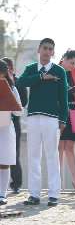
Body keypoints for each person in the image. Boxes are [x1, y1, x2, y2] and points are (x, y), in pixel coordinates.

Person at [16, 38, 69, 207]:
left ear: (53, 52)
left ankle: (54, 195)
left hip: (52, 119)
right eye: (44, 48)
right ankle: (34, 195)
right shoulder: (31, 69)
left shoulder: (59, 71)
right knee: (33, 156)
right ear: (39, 50)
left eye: (50, 49)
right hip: (33, 118)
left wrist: (63, 119)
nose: (47, 51)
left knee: (52, 156)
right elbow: (20, 82)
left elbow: (64, 97)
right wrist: (41, 77)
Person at [58, 49, 75, 192]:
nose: (73, 66)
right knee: (59, 147)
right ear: (64, 58)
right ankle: (56, 183)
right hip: (59, 112)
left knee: (70, 147)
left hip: (74, 111)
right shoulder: (56, 70)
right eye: (71, 62)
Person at [1, 57, 27, 194]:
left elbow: (19, 112)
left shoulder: (13, 88)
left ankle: (2, 194)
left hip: (7, 127)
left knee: (5, 161)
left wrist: (10, 98)